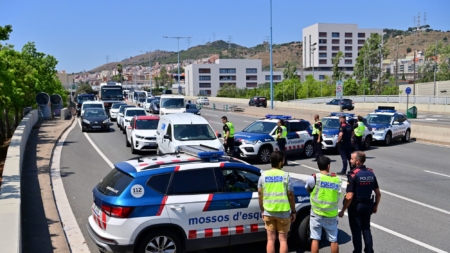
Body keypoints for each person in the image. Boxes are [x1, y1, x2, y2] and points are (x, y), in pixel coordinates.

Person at [339, 151, 381, 253]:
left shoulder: (353, 175)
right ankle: (369, 250)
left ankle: (357, 251)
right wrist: (375, 206)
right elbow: (378, 193)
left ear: (357, 162)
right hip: (368, 205)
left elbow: (349, 196)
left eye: (352, 159)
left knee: (356, 231)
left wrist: (343, 210)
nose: (350, 160)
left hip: (355, 207)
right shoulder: (371, 173)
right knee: (366, 229)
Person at [258, 151, 296, 253]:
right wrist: (293, 211)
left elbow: (260, 195)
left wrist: (262, 210)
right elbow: (291, 196)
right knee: (283, 240)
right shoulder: (286, 176)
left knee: (270, 240)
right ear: (280, 162)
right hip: (283, 212)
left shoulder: (263, 176)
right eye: (283, 160)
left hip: (269, 212)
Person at [305, 155, 341, 253]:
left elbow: (308, 189)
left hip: (316, 213)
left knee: (315, 238)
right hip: (331, 215)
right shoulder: (336, 179)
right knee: (333, 240)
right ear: (328, 166)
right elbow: (338, 193)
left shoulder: (314, 178)